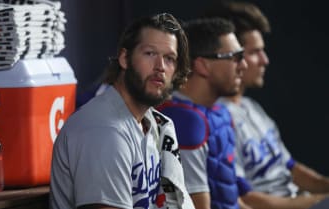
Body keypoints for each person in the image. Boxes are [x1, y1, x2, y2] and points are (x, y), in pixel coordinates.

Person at [49, 13, 195, 209]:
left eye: (169, 58)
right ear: (125, 58)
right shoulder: (103, 131)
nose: (160, 67)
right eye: (150, 53)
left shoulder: (153, 125)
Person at [202, 1, 329, 208]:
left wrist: (325, 188)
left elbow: (290, 168)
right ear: (233, 55)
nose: (265, 60)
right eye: (254, 52)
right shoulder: (215, 118)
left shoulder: (252, 107)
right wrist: (319, 202)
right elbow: (247, 200)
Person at [157, 17, 251, 209]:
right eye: (235, 57)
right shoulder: (185, 122)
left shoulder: (219, 114)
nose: (244, 66)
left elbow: (231, 200)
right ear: (202, 65)